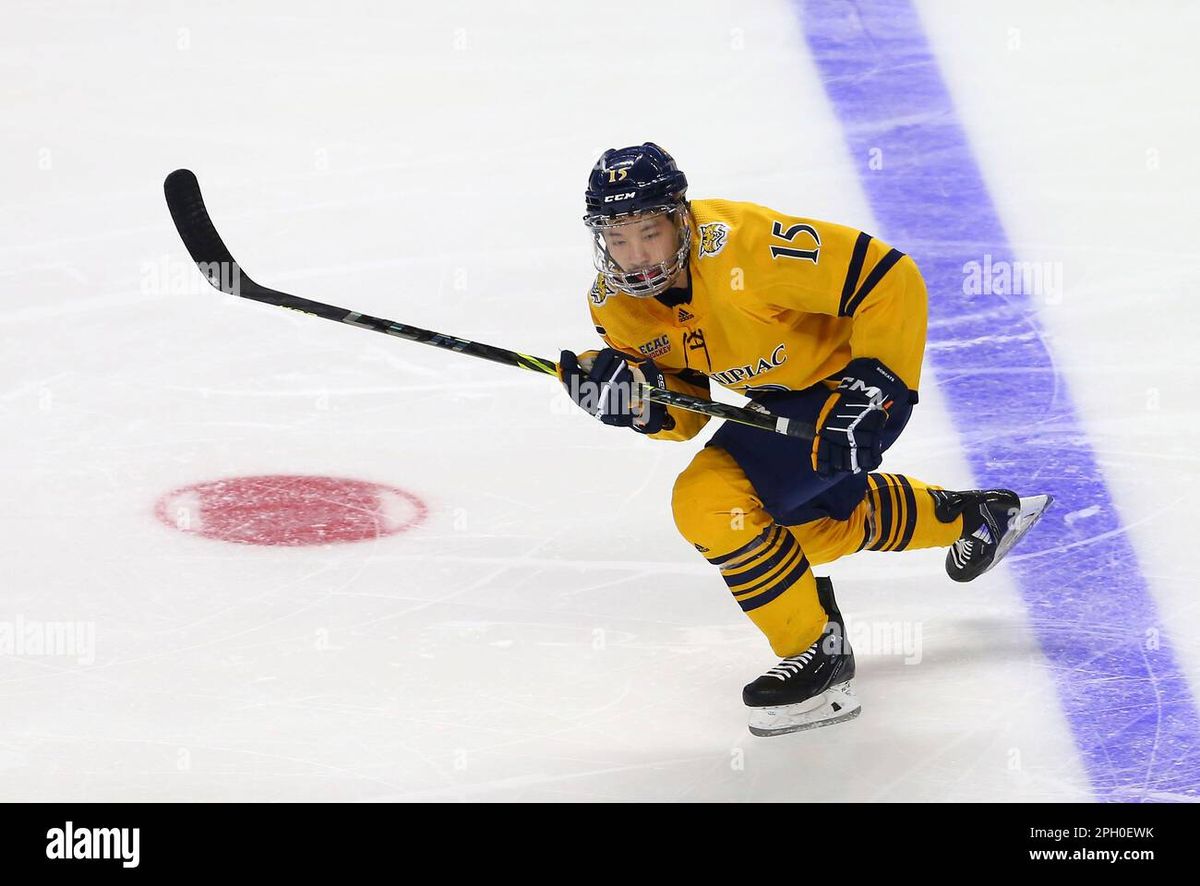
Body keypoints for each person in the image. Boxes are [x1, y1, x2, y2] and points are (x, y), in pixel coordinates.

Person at [558, 143, 1051, 737]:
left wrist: (879, 384)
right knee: (801, 535)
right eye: (617, 237)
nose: (635, 257)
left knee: (710, 503)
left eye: (649, 232)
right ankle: (977, 517)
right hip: (780, 401)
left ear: (680, 216)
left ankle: (820, 653)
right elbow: (685, 412)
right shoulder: (615, 304)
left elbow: (889, 277)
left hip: (852, 387)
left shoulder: (748, 247)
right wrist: (632, 396)